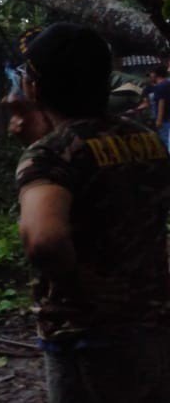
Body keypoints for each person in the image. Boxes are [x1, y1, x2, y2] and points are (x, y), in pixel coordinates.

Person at [15, 23, 170, 403]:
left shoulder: (51, 153)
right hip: (153, 321)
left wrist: (85, 285)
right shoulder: (144, 138)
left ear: (35, 85)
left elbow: (43, 238)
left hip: (86, 334)